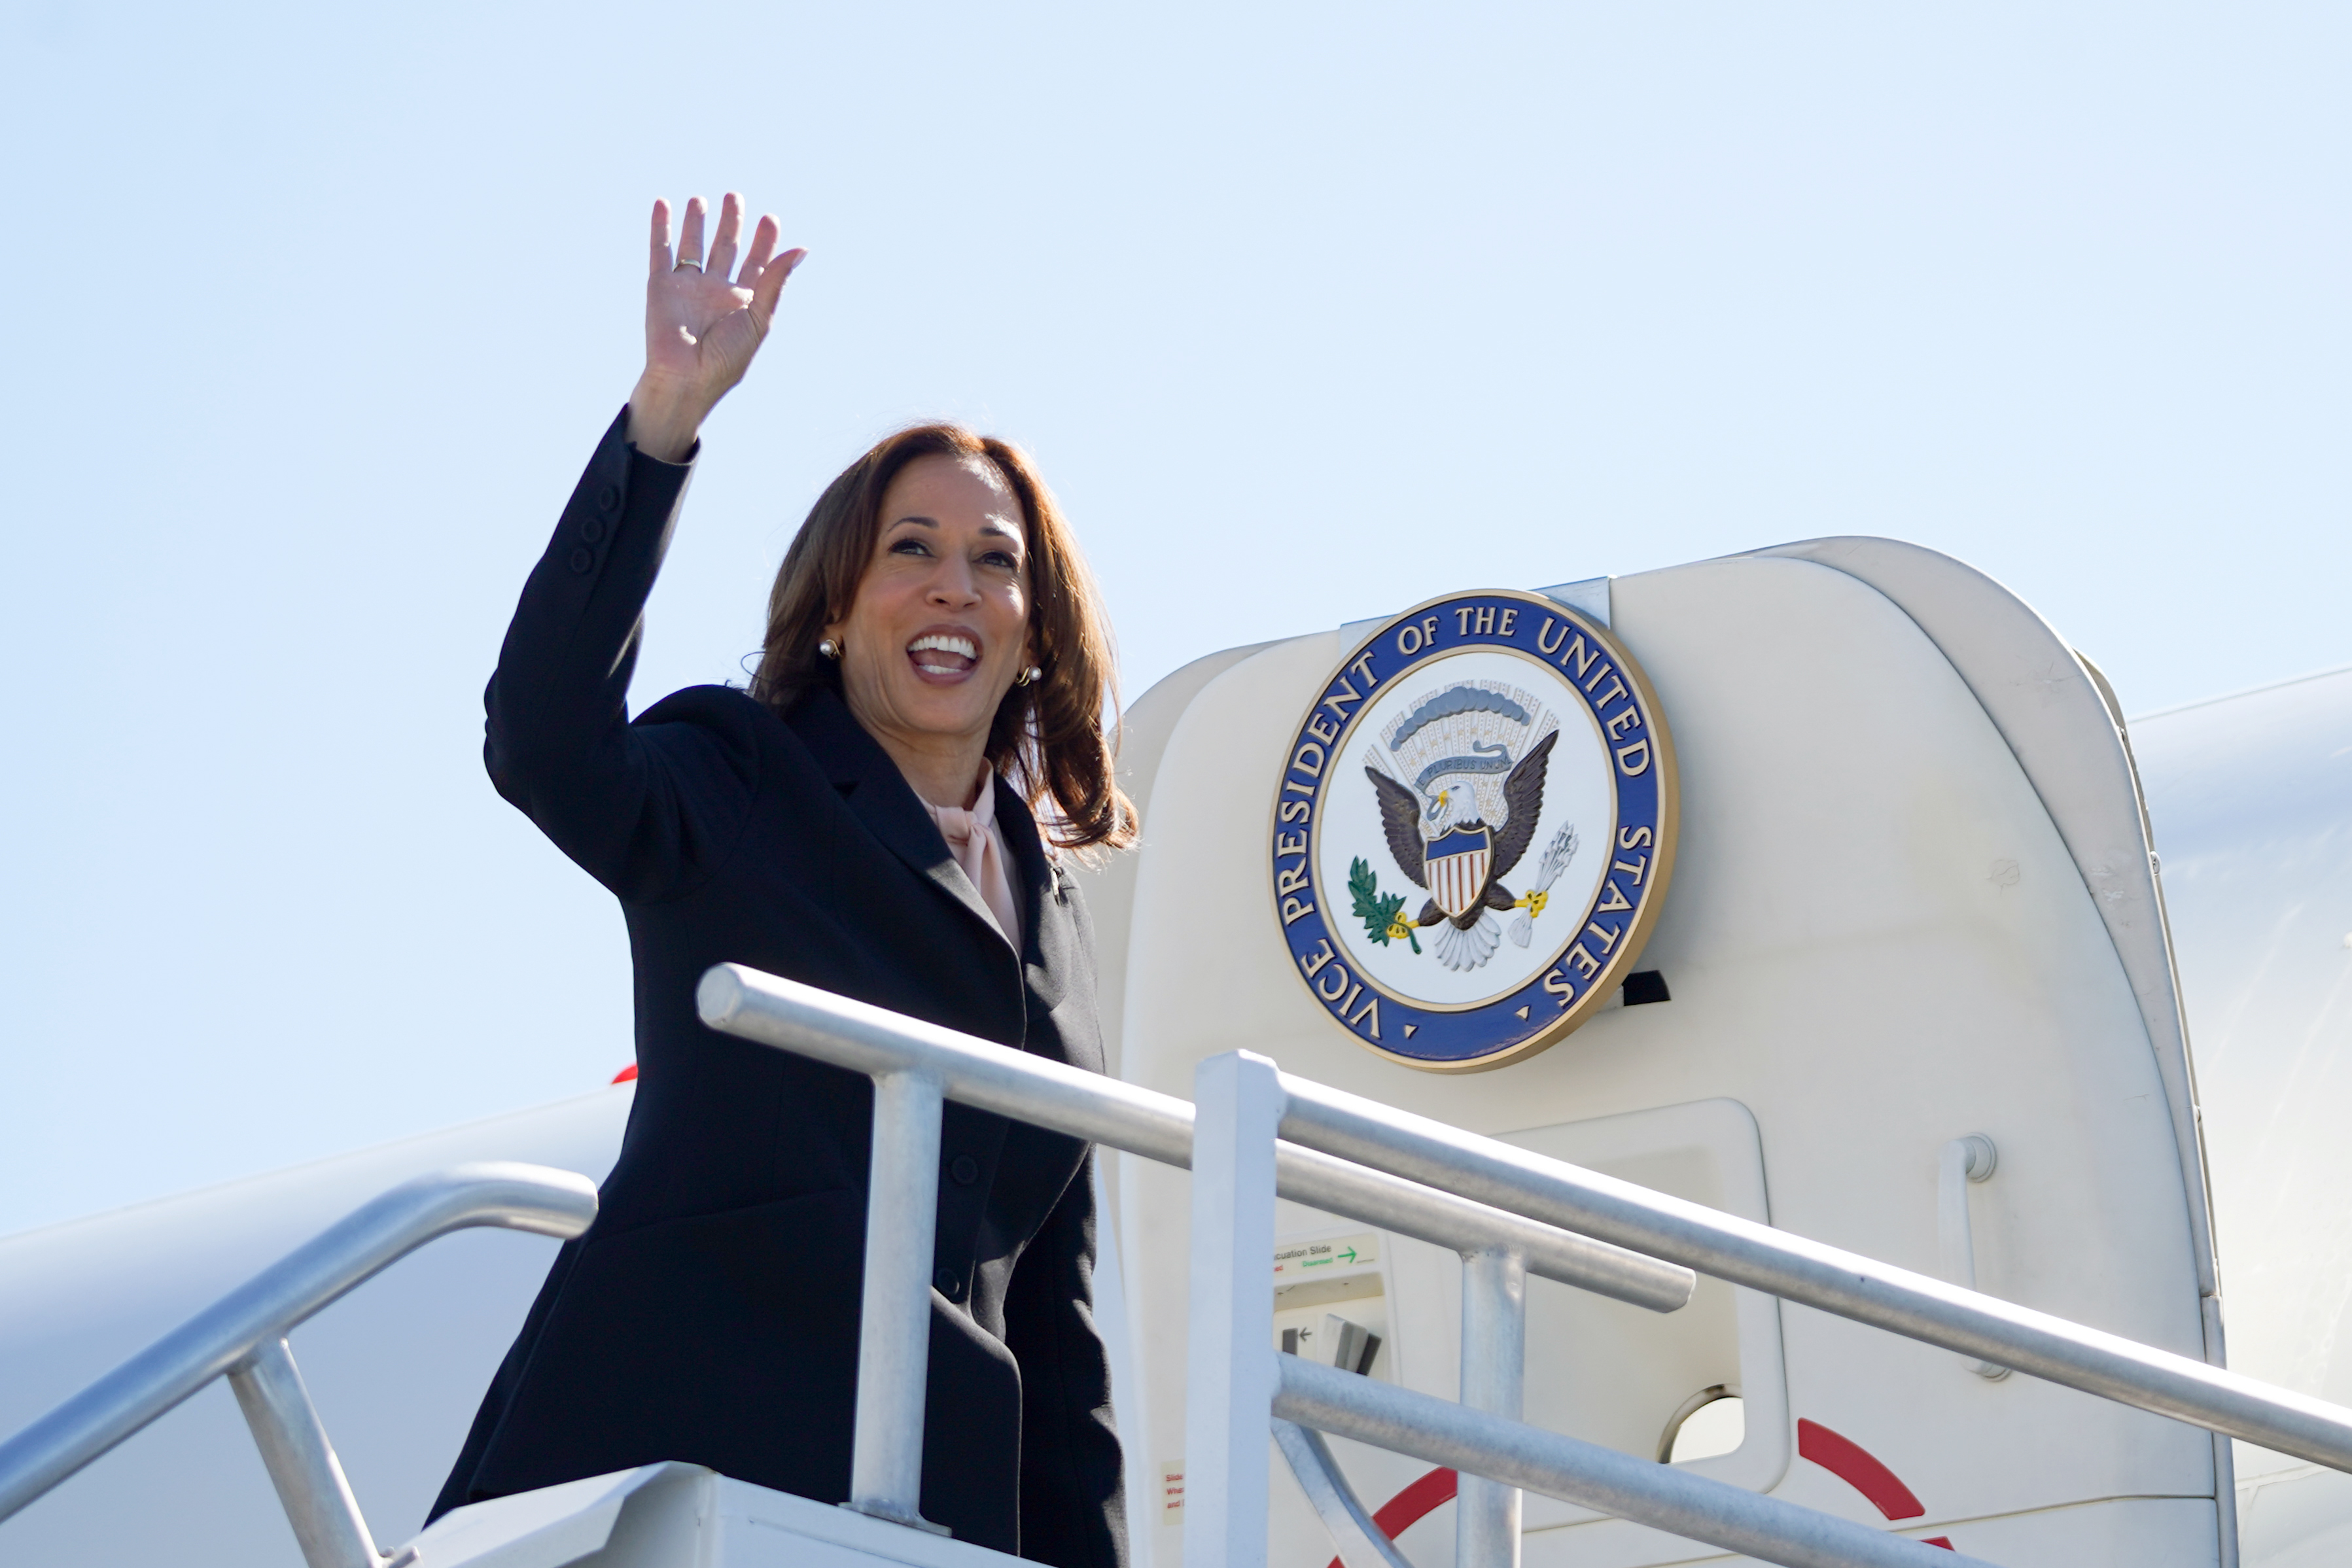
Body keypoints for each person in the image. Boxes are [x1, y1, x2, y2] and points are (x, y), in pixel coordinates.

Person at [428, 193, 1136, 1568]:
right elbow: (545, 737)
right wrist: (663, 420)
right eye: (910, 550)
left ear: (1036, 627)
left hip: (919, 1513)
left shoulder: (1057, 922)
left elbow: (1052, 1318)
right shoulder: (739, 779)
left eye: (996, 562)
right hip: (670, 1460)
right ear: (834, 600)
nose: (954, 588)